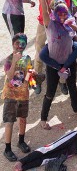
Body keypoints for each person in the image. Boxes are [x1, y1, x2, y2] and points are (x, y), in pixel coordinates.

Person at [38, 0, 77, 130]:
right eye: (60, 14)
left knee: (72, 88)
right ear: (55, 13)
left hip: (69, 63)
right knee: (50, 93)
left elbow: (76, 35)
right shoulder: (50, 24)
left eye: (65, 13)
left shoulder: (70, 21)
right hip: (54, 65)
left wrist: (72, 25)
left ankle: (76, 110)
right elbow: (45, 12)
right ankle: (43, 118)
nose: (63, 16)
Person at [2, 34, 34, 162]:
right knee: (10, 121)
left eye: (23, 44)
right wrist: (15, 61)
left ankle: (21, 141)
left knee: (23, 119)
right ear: (12, 44)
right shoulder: (8, 60)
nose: (20, 46)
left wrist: (30, 81)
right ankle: (7, 149)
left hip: (23, 94)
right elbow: (9, 77)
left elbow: (29, 72)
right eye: (17, 43)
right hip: (10, 95)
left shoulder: (27, 58)